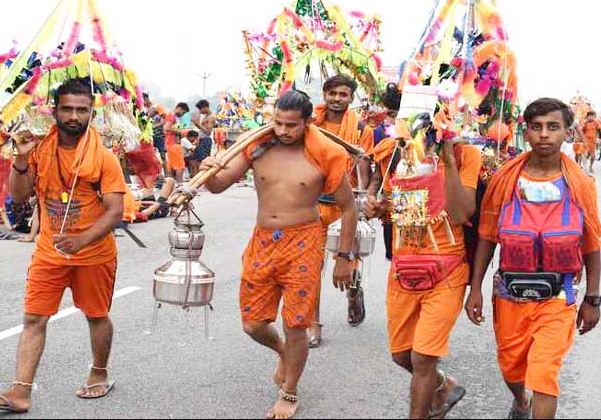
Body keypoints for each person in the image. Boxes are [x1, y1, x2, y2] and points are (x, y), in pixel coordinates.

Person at [199, 90, 357, 419]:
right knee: (253, 324)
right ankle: (285, 352)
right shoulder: (257, 146)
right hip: (262, 242)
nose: (283, 131)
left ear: (307, 123)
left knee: (296, 324)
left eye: (291, 125)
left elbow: (349, 207)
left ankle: (289, 391)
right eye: (278, 123)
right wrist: (209, 170)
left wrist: (344, 257)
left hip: (304, 242)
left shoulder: (324, 153)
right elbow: (218, 185)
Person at [466, 98, 601, 419]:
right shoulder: (505, 180)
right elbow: (487, 236)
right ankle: (519, 399)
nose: (544, 134)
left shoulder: (580, 184)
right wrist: (475, 288)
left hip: (558, 296)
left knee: (544, 374)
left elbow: (592, 244)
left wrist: (593, 298)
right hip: (510, 293)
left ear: (567, 132)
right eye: (537, 127)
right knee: (511, 367)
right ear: (525, 132)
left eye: (553, 127)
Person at [0, 78, 126, 413]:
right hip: (49, 252)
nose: (73, 116)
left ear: (91, 113)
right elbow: (19, 196)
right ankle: (20, 391)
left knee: (96, 316)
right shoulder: (40, 149)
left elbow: (115, 211)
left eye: (81, 110)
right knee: (33, 318)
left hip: (94, 254)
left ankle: (99, 372)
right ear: (55, 110)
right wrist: (21, 159)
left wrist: (81, 240)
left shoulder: (104, 159)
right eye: (67, 108)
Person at [364, 132, 482, 419]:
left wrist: (449, 159)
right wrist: (378, 208)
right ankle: (442, 386)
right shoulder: (396, 150)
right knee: (401, 355)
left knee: (423, 357)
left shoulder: (465, 155)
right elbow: (398, 208)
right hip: (404, 270)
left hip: (447, 271)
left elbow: (461, 213)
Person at [310, 74, 375, 345]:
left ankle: (354, 288)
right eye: (332, 93)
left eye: (343, 94)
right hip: (314, 205)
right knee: (310, 268)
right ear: (325, 94)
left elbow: (364, 169)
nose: (337, 99)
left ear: (351, 98)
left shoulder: (361, 130)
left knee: (347, 261)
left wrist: (364, 200)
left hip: (345, 206)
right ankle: (313, 323)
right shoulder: (311, 124)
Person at [163, 102, 190, 183]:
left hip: (170, 142)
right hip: (173, 143)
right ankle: (179, 183)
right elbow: (166, 128)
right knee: (180, 165)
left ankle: (172, 184)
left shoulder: (171, 115)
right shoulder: (172, 115)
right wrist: (181, 131)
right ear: (179, 108)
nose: (182, 115)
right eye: (183, 112)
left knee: (171, 165)